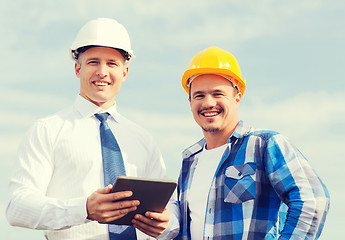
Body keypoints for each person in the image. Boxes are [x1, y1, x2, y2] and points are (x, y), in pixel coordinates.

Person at [6, 18, 179, 240]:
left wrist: (167, 223)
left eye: (112, 63)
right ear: (78, 68)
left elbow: (171, 213)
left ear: (125, 72)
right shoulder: (47, 130)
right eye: (93, 62)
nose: (102, 72)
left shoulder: (143, 139)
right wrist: (83, 209)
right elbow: (17, 206)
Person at [175, 46, 330, 239]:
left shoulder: (265, 145)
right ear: (189, 101)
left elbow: (313, 200)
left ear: (237, 97)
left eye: (217, 94)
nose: (208, 103)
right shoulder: (190, 161)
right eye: (199, 95)